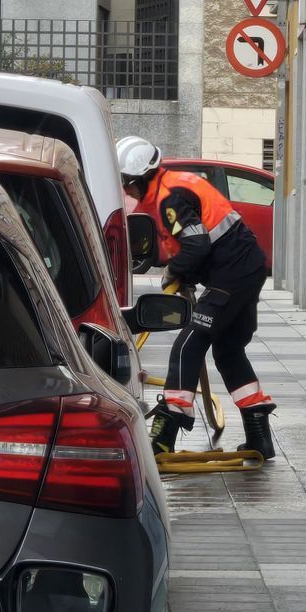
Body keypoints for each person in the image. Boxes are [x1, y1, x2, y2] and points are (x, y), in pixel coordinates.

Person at [118, 135, 278, 459]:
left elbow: (197, 244)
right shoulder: (173, 185)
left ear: (139, 179)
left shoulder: (169, 197)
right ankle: (260, 435)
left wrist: (175, 271)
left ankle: (166, 431)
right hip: (244, 268)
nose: (127, 191)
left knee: (188, 344)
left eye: (127, 184)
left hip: (232, 273)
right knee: (228, 350)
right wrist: (186, 272)